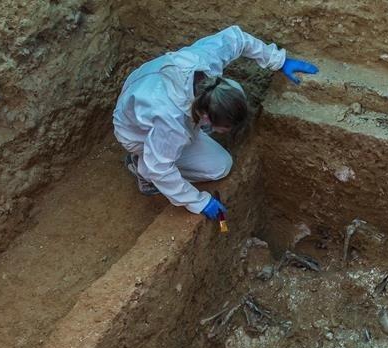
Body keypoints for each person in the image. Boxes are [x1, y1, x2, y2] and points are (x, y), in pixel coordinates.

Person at [112, 27, 318, 221]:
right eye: (225, 127)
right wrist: (199, 202)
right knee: (215, 166)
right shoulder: (170, 122)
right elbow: (161, 169)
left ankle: (157, 155)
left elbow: (236, 38)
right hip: (134, 129)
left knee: (217, 160)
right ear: (206, 118)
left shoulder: (207, 63)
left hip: (143, 92)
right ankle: (140, 167)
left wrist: (278, 60)